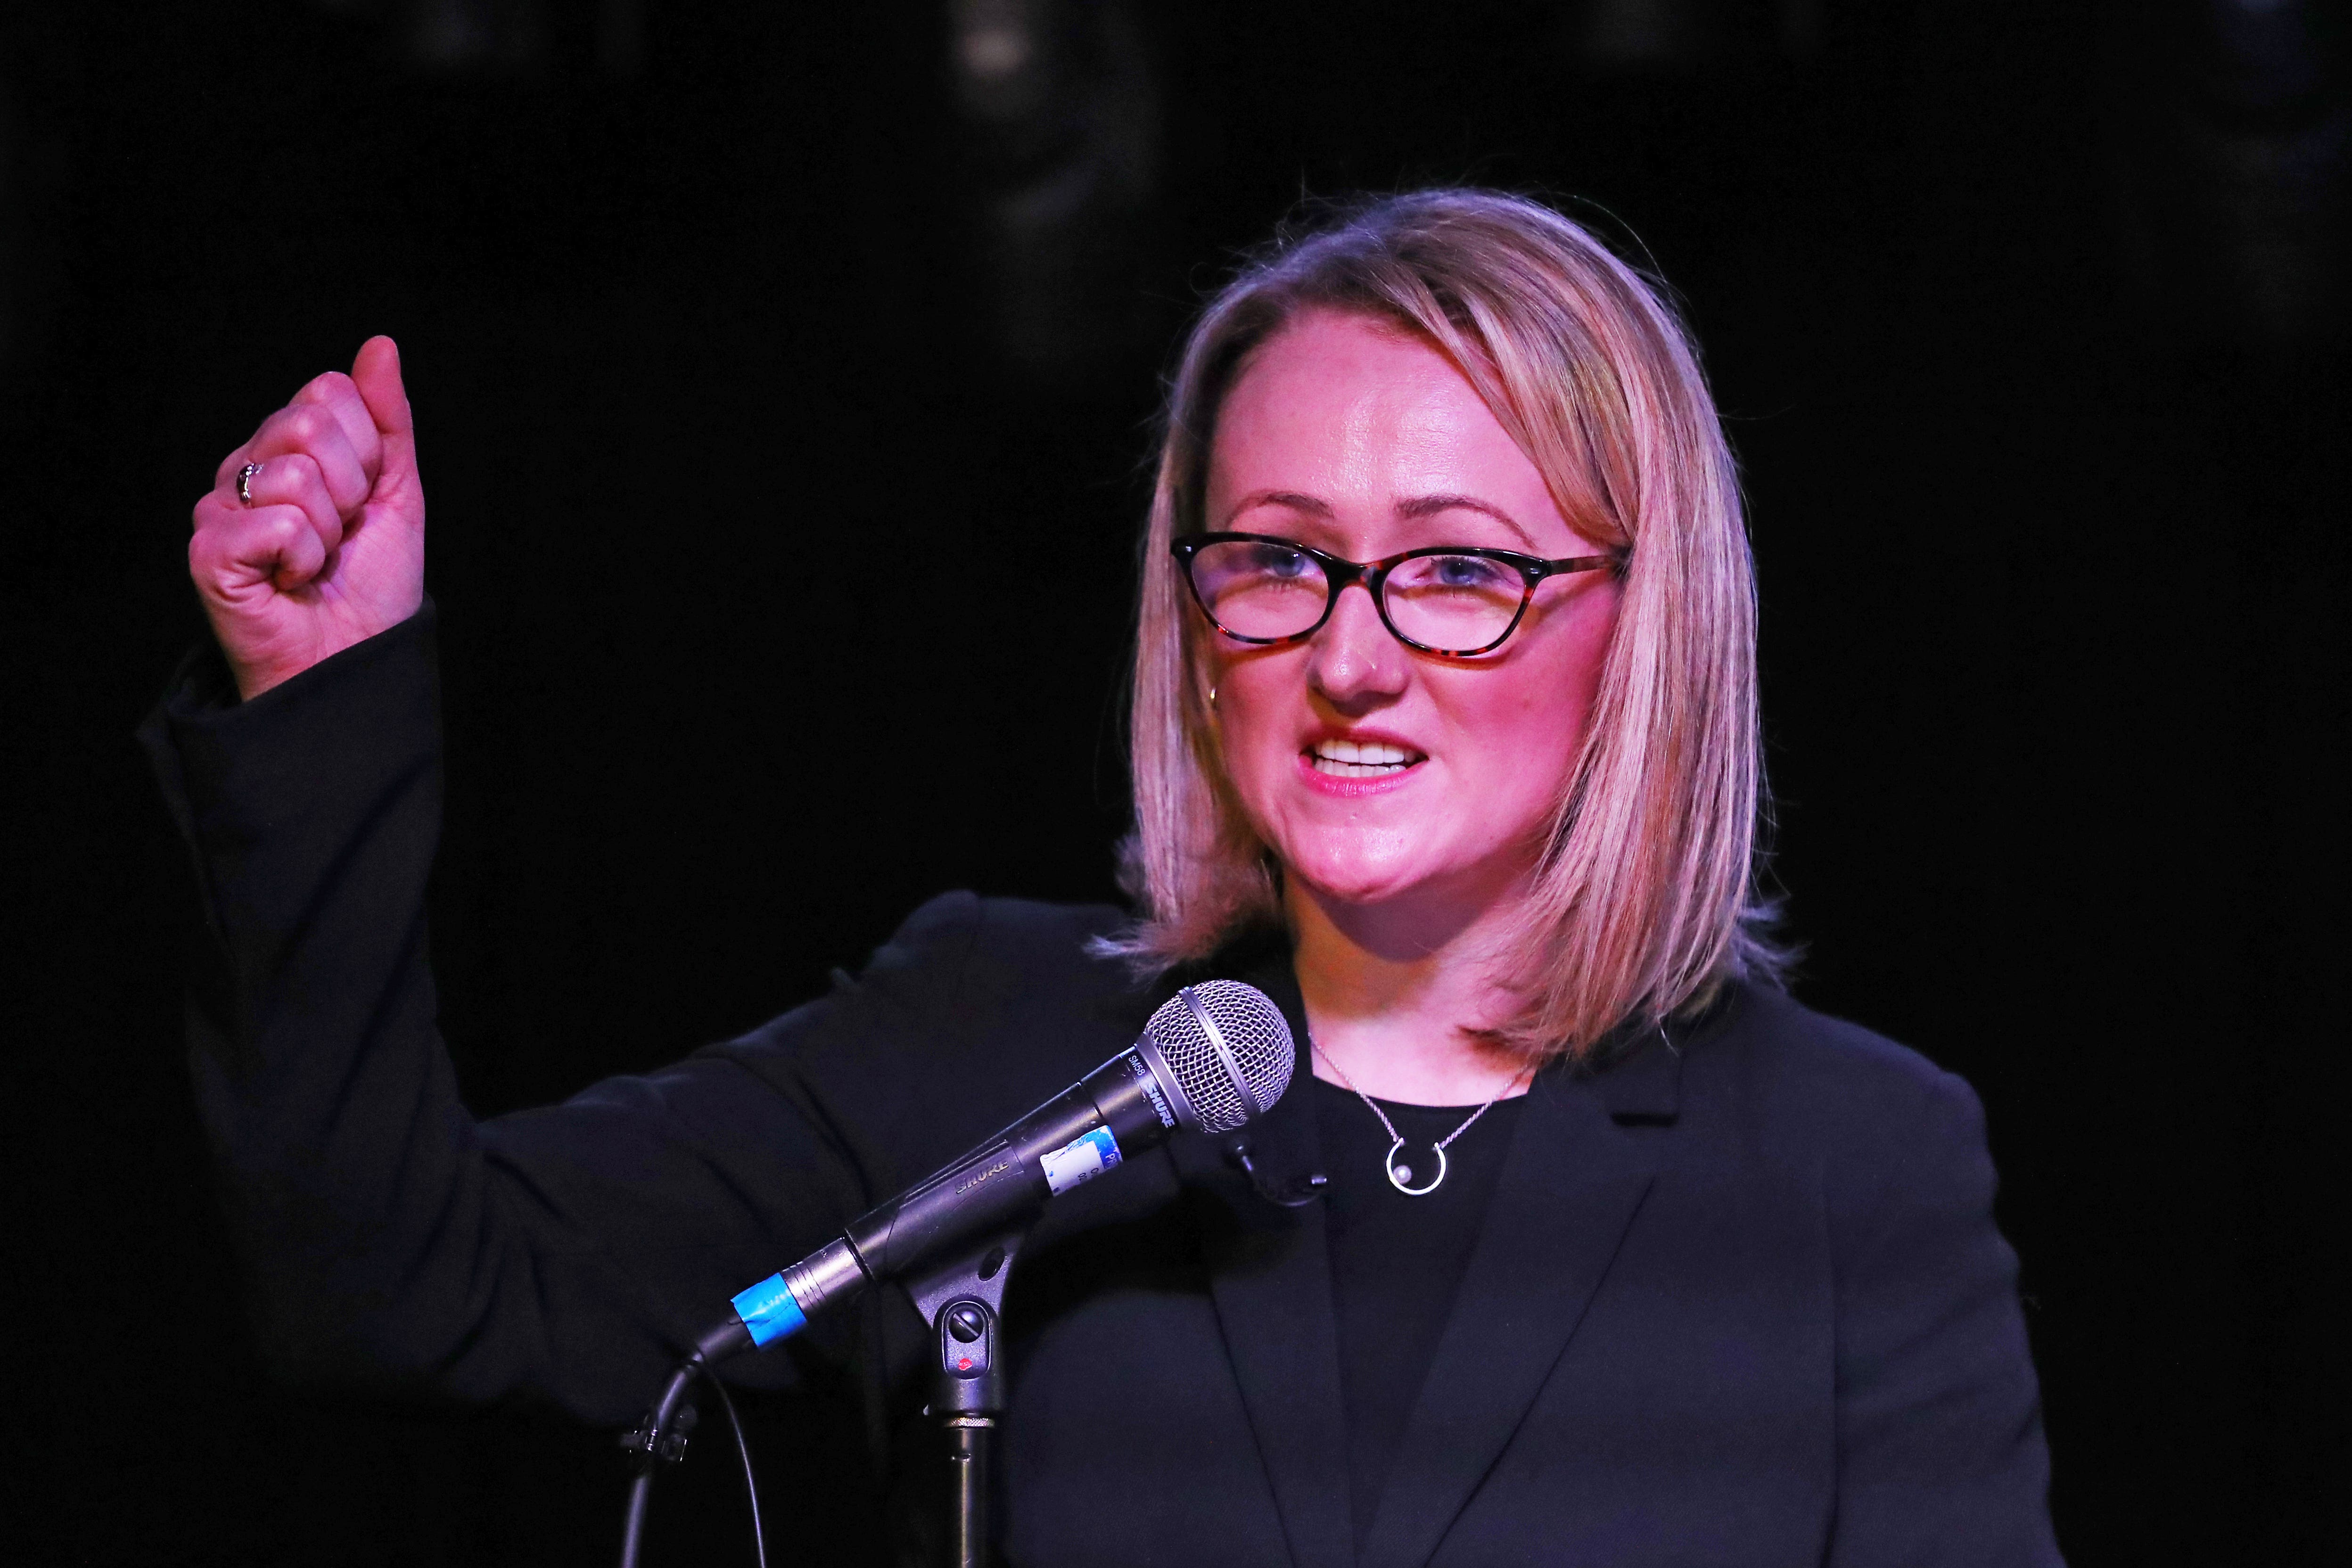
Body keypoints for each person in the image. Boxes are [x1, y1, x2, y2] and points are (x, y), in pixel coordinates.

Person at [145, 190, 2063, 1566]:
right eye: (1280, 557)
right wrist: (320, 714)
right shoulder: (996, 1041)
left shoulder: (1852, 1169)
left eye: (1462, 567)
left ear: (1645, 626)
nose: (1354, 653)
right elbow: (396, 1285)